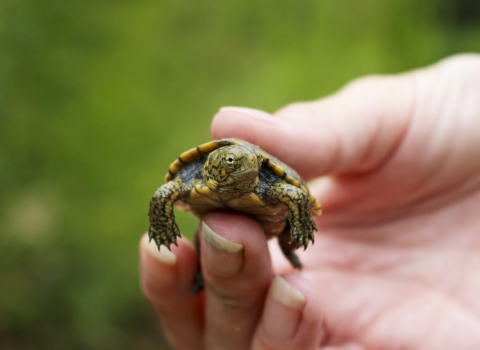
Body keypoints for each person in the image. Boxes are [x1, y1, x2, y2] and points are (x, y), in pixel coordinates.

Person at [139, 54, 480, 350]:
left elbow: (295, 194)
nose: (243, 164)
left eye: (249, 162)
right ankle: (201, 270)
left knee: (237, 255)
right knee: (209, 249)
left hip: (272, 218)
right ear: (212, 164)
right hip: (220, 219)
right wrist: (162, 224)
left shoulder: (270, 186)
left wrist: (299, 224)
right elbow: (164, 192)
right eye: (230, 162)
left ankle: (288, 245)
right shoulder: (195, 177)